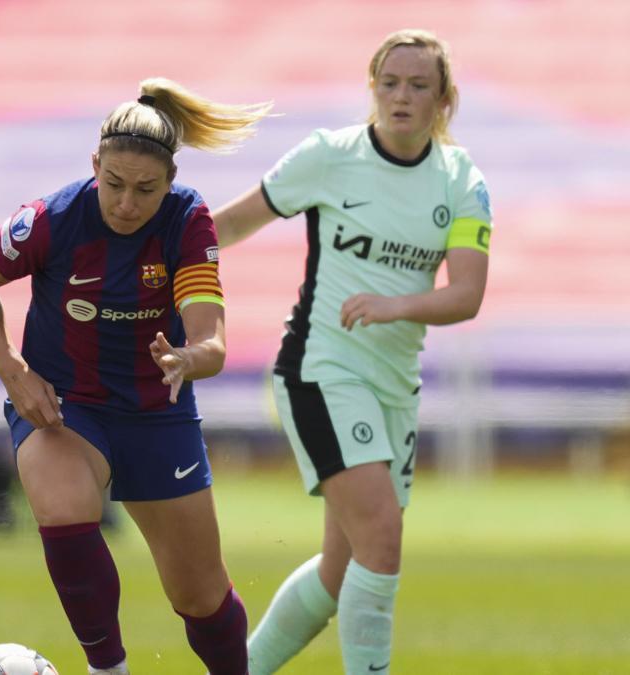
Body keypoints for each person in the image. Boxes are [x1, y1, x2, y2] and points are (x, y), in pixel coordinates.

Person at [0, 78, 270, 675]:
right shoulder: (49, 220)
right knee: (64, 504)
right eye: (115, 185)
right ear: (94, 165)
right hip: (68, 405)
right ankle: (109, 670)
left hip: (158, 412)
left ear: (170, 181)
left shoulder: (188, 221)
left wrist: (188, 358)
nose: (127, 203)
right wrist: (13, 370)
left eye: (146, 189)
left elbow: (212, 340)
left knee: (200, 599)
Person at [211, 29, 492, 674]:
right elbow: (231, 223)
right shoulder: (328, 157)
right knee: (383, 538)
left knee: (343, 572)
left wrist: (395, 305)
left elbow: (468, 294)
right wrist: (160, 265)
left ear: (443, 100)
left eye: (418, 86)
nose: (401, 96)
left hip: (395, 386)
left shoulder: (462, 181)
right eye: (389, 83)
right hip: (321, 369)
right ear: (373, 89)